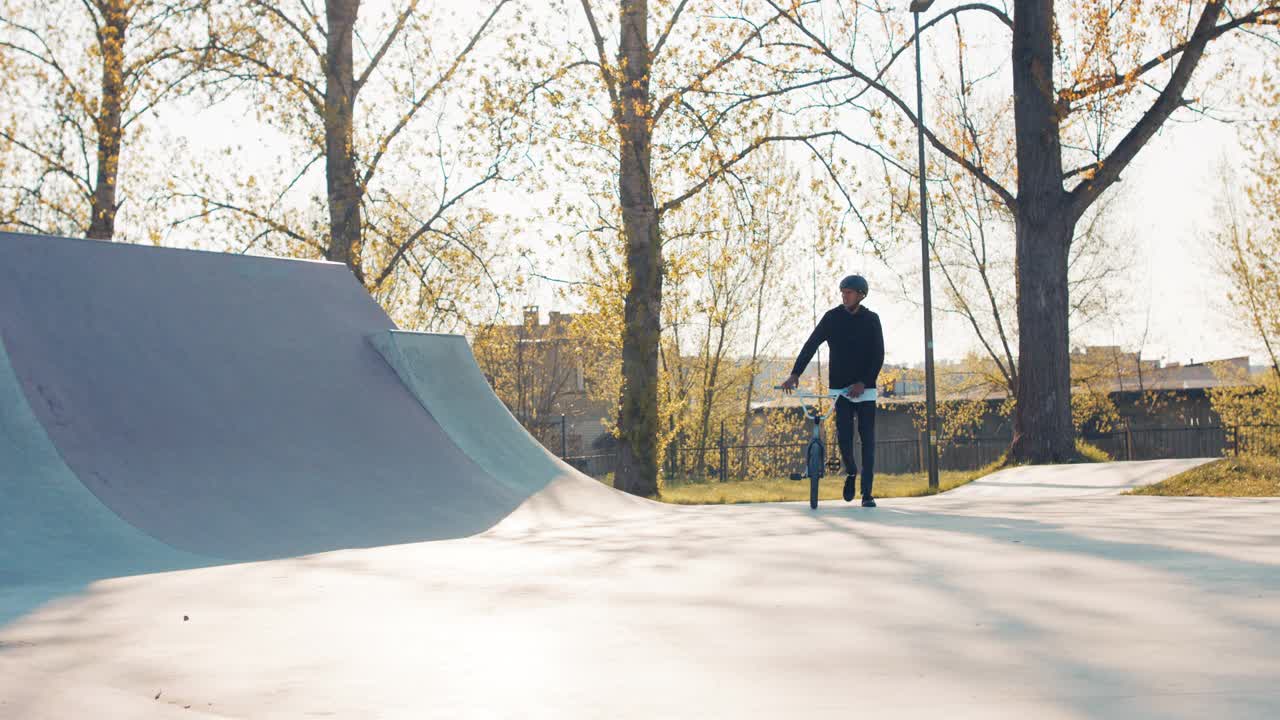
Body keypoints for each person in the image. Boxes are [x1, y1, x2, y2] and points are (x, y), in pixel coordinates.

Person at [781, 274, 884, 507]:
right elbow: (811, 345)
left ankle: (867, 494)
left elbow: (878, 355)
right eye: (842, 292)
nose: (844, 295)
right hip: (840, 390)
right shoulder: (832, 318)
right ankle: (851, 472)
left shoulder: (872, 320)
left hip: (865, 391)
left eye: (848, 292)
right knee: (845, 439)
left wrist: (864, 382)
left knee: (868, 441)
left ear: (860, 295)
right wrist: (795, 373)